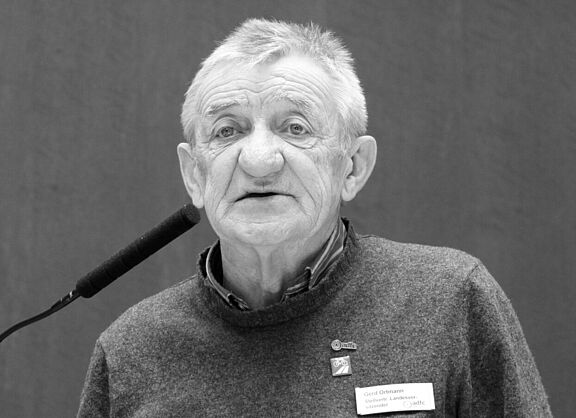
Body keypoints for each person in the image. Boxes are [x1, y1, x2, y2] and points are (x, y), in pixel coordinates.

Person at [78, 19, 551, 417]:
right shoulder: (131, 352)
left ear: (353, 167)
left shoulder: (452, 300)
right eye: (227, 131)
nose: (259, 160)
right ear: (194, 174)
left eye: (295, 127)